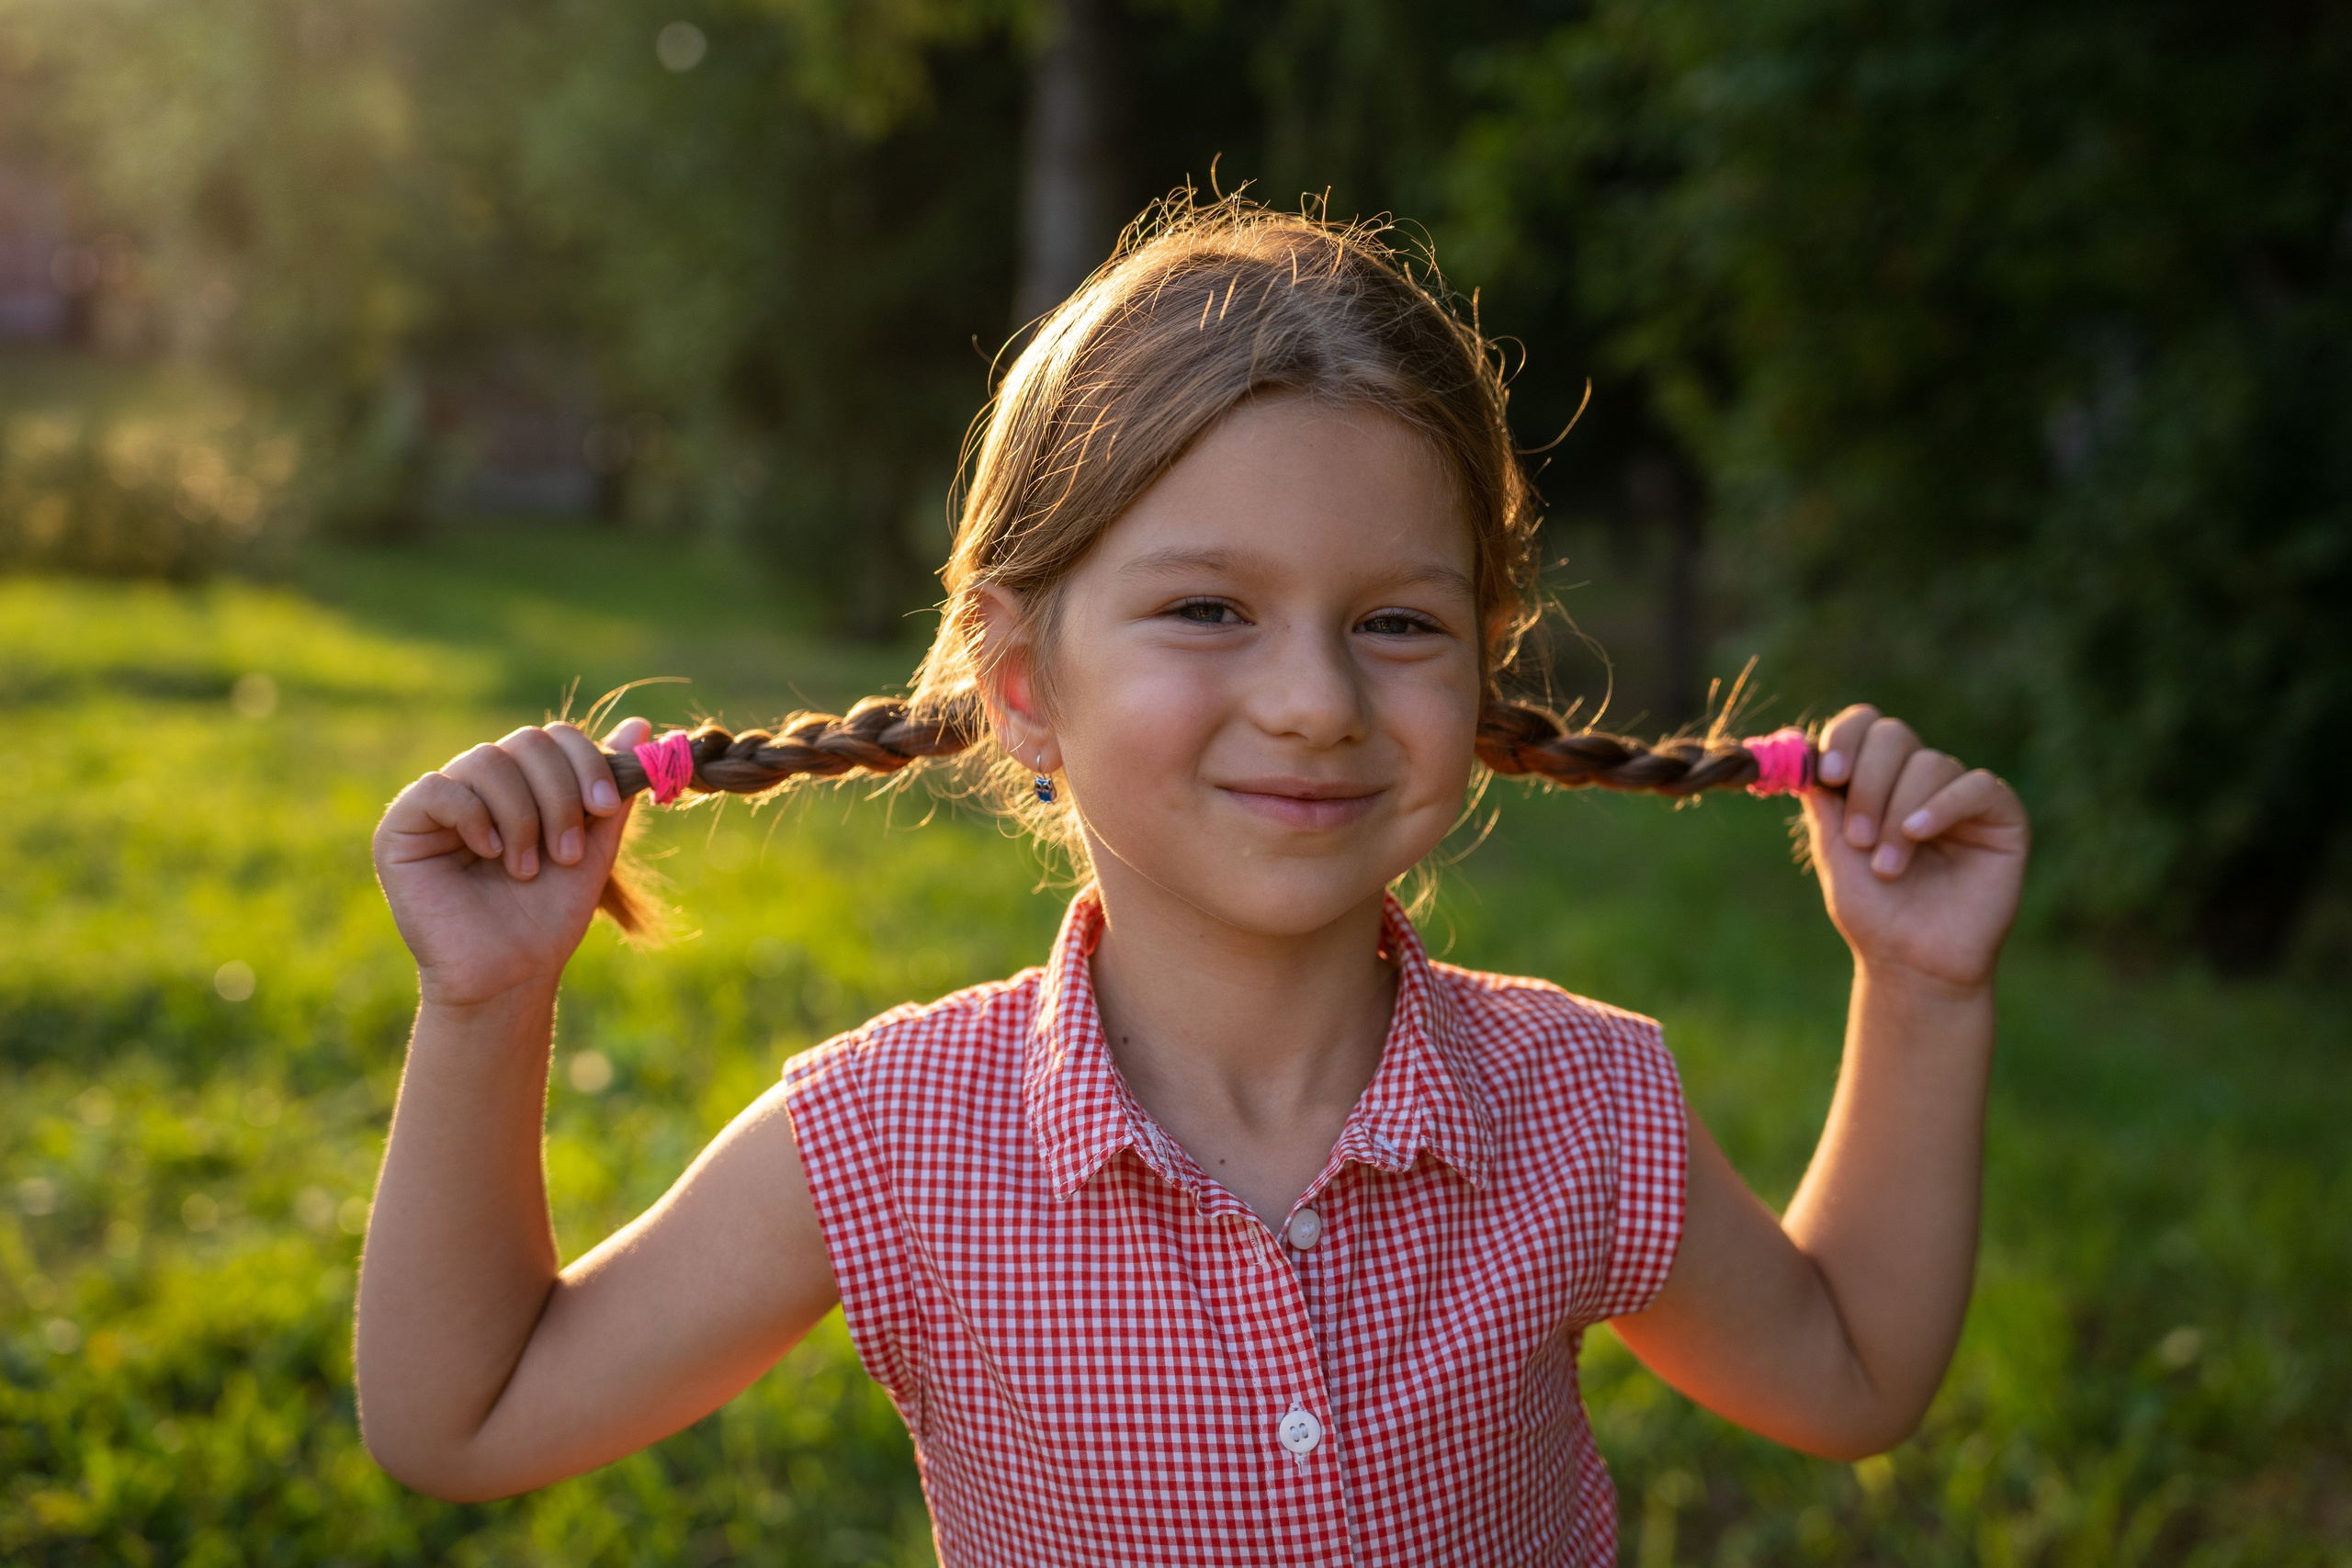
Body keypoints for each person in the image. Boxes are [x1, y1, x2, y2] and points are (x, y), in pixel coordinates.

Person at [358, 198, 2029, 1565]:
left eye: (1398, 621)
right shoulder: (891, 1143)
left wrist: (1925, 984)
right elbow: (464, 1420)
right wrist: (487, 998)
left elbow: (1851, 1377)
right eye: (1208, 609)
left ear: (1480, 667)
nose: (1314, 698)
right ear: (1025, 684)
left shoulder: (1582, 1107)